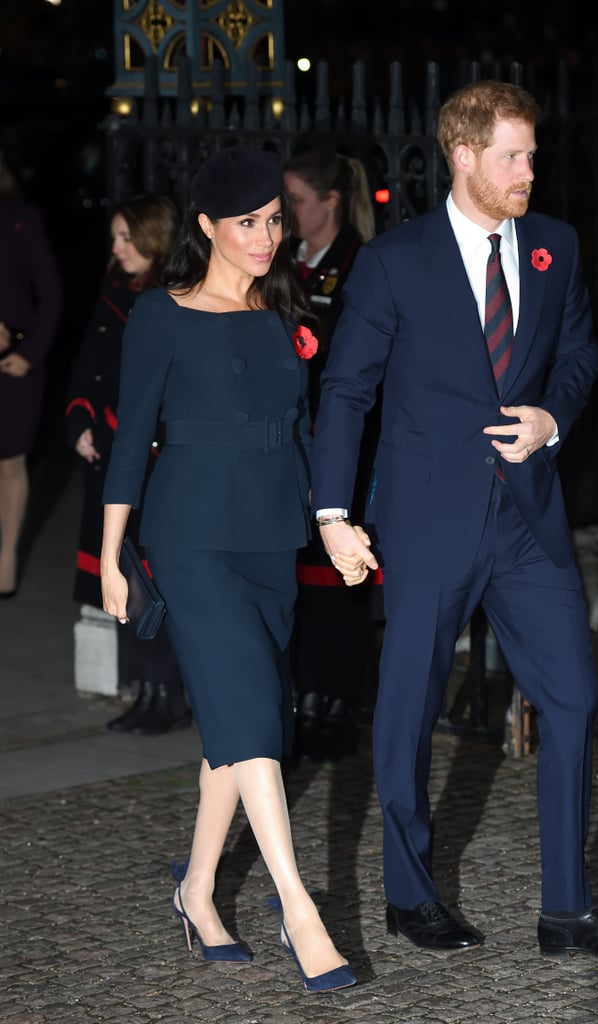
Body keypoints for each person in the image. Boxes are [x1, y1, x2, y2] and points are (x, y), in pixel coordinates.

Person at [310, 80, 598, 963]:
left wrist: (552, 417)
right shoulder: (396, 261)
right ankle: (409, 894)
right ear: (463, 155)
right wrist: (330, 512)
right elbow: (347, 391)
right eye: (512, 155)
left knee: (576, 702)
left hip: (527, 519)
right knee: (407, 710)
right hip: (429, 518)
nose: (528, 171)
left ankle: (568, 912)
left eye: (533, 155)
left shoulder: (555, 247)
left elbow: (581, 353)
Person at [99, 145, 356, 992]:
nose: (264, 235)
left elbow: (312, 427)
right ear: (206, 226)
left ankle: (199, 893)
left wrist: (335, 526)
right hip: (190, 539)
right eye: (247, 222)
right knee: (256, 720)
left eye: (274, 219)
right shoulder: (161, 315)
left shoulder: (286, 307)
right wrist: (110, 552)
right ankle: (299, 910)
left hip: (267, 537)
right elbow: (131, 438)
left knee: (236, 728)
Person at [65, 193, 191, 734]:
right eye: (114, 238)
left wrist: (122, 428)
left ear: (155, 238)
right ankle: (144, 688)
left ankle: (168, 692)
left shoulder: (175, 298)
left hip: (154, 462)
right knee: (117, 577)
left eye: (126, 237)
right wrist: (81, 423)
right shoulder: (114, 293)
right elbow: (91, 367)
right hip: (113, 459)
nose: (117, 248)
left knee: (154, 583)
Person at [283, 148, 381, 760]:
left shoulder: (358, 263)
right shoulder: (291, 259)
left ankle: (339, 704)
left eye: (295, 200)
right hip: (295, 435)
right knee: (303, 587)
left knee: (338, 584)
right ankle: (308, 698)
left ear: (330, 202)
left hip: (338, 435)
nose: (288, 212)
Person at [0, 147, 62, 597]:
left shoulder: (21, 218)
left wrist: (31, 352)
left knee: (10, 463)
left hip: (14, 364)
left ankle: (6, 556)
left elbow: (52, 294)